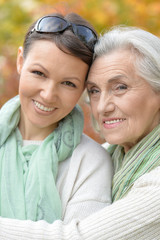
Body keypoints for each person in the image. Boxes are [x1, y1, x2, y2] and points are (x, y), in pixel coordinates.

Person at [1, 25, 160, 240]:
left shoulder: (148, 179)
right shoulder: (108, 155)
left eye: (120, 87)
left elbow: (78, 237)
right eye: (94, 90)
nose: (102, 107)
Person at [0, 12, 113, 225]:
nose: (48, 94)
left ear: (83, 89)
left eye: (68, 83)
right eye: (39, 73)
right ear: (20, 61)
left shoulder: (90, 162)